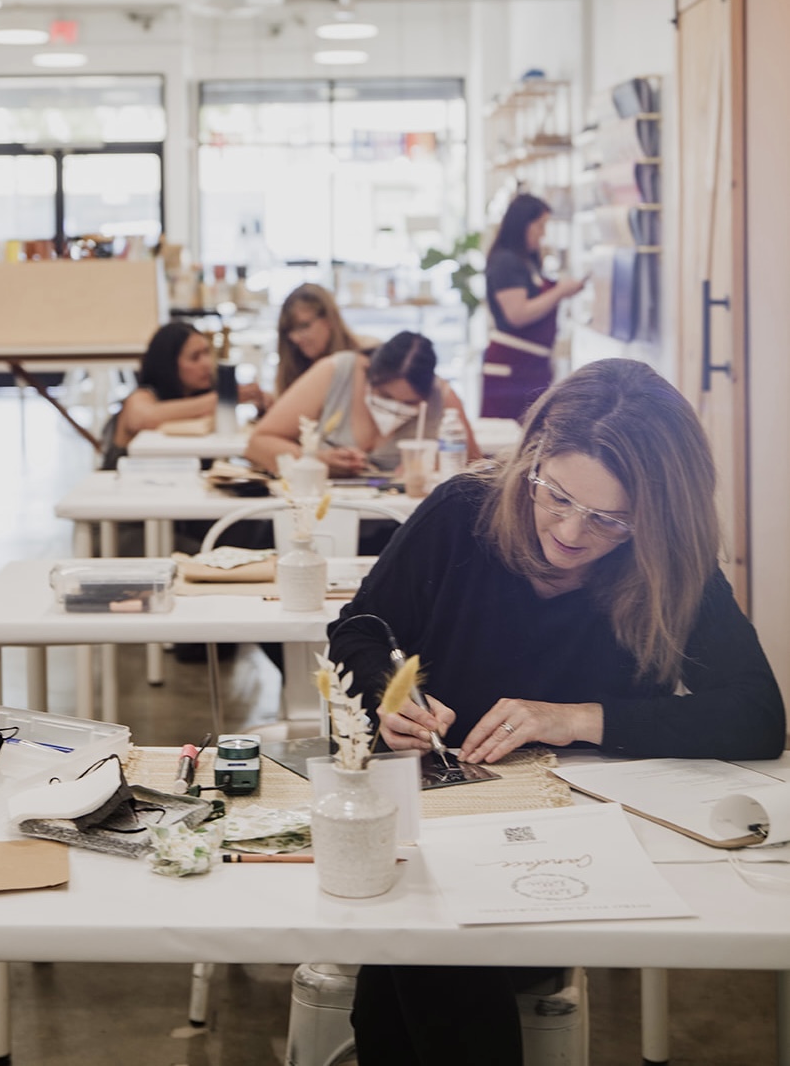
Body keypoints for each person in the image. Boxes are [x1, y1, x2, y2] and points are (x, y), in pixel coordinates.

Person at [327, 357, 785, 1065]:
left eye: (610, 519)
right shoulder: (463, 513)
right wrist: (392, 696)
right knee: (425, 937)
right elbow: (360, 630)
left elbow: (756, 715)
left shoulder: (672, 562)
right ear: (532, 461)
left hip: (580, 848)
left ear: (656, 516)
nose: (571, 532)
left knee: (421, 947)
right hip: (437, 817)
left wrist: (576, 719)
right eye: (556, 496)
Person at [246, 330, 481, 479]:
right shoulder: (335, 372)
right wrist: (315, 460)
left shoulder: (443, 398)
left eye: (409, 403)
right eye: (385, 395)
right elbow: (258, 443)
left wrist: (435, 470)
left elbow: (476, 472)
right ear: (369, 372)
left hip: (400, 525)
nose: (394, 408)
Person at [102, 321, 267, 471]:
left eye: (207, 353)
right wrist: (222, 398)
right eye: (195, 357)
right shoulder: (142, 396)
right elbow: (143, 418)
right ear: (169, 363)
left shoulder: (198, 397)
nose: (207, 363)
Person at [480, 193, 588, 420]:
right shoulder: (505, 261)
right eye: (540, 226)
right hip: (511, 370)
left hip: (530, 368)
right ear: (522, 224)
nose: (543, 233)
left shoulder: (526, 261)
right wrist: (559, 292)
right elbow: (517, 314)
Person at [275, 283, 373, 396]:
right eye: (290, 330)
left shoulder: (364, 358)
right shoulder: (294, 368)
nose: (295, 338)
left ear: (329, 318)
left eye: (304, 326)